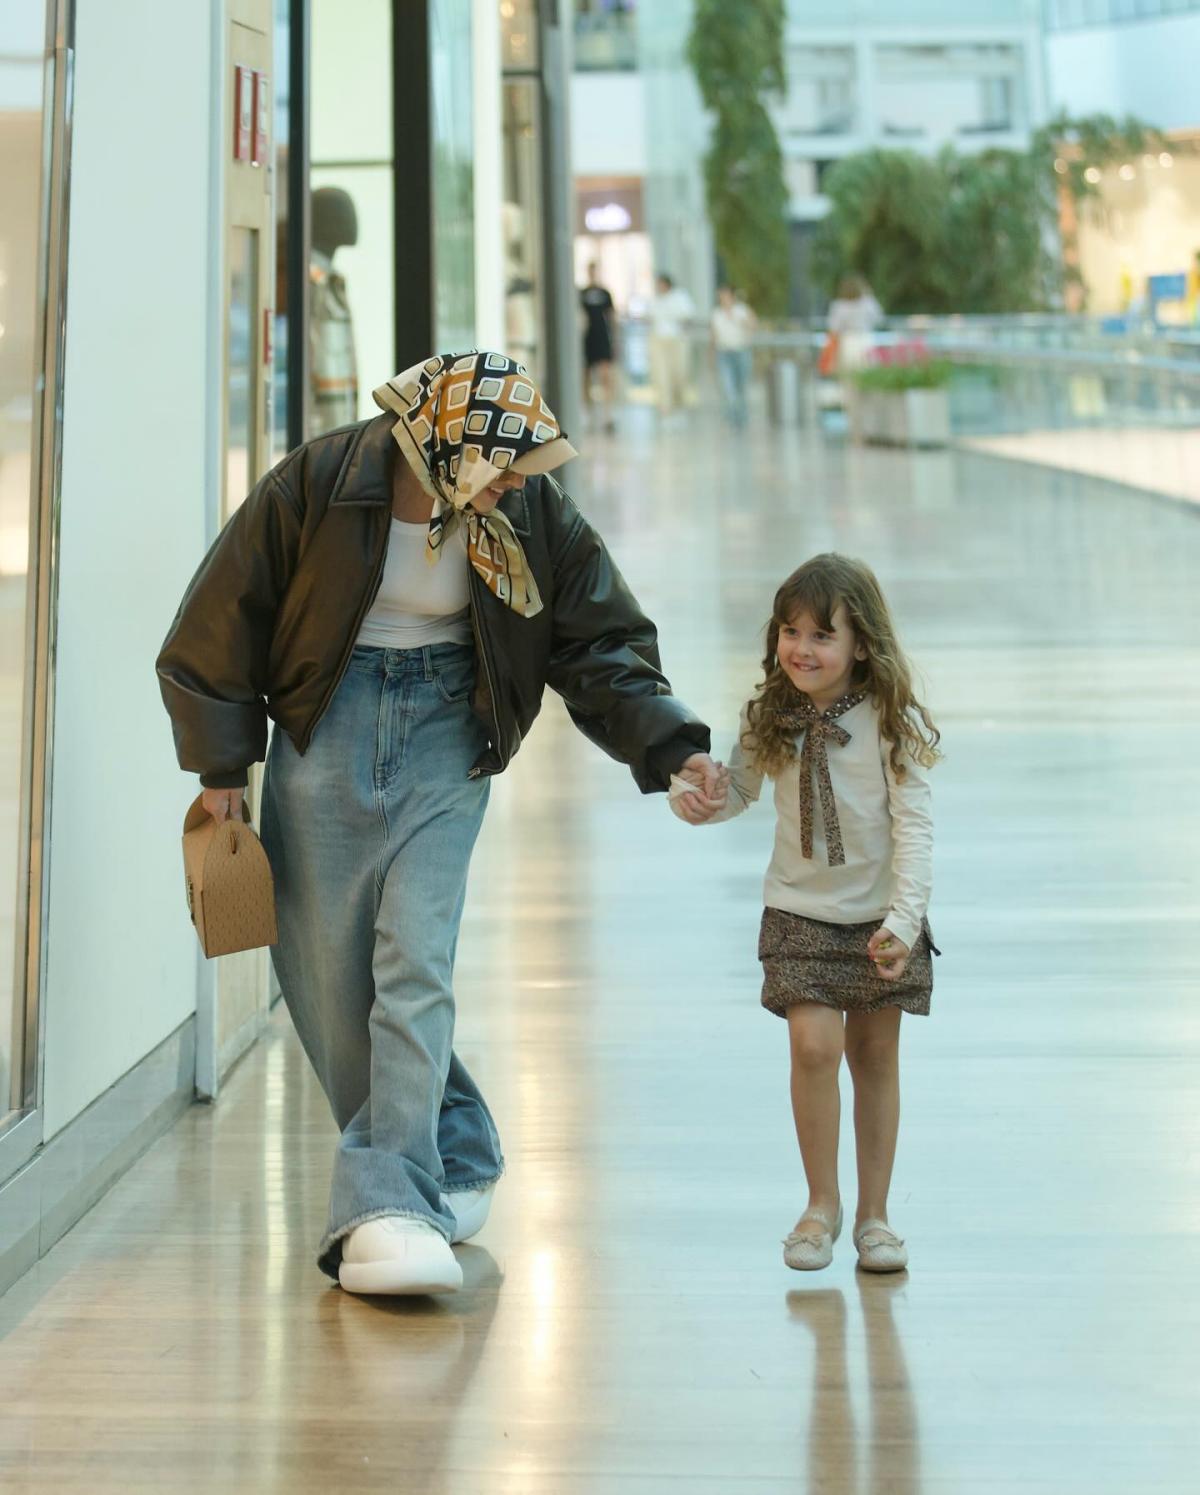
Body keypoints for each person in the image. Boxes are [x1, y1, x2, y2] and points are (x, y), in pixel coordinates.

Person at [157, 351, 721, 1298]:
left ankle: (391, 1203)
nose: (513, 482)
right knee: (325, 971)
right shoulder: (322, 481)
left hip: (448, 731)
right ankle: (451, 1144)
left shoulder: (528, 514)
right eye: (500, 462)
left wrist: (672, 748)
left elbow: (600, 639)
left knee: (413, 959)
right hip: (323, 724)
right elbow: (224, 614)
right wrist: (223, 768)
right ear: (444, 441)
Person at [671, 553, 940, 1274]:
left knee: (874, 1056)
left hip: (882, 918)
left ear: (862, 644)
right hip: (798, 911)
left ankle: (875, 1217)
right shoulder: (771, 714)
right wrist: (695, 795)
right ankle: (820, 1205)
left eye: (823, 634)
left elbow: (914, 826)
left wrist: (905, 922)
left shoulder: (890, 719)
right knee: (815, 1048)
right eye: (791, 631)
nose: (802, 648)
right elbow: (739, 791)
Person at [309, 187, 360, 435]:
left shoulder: (331, 282)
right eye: (341, 213)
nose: (353, 223)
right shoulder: (311, 283)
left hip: (337, 432)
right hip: (320, 431)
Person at [648, 272, 695, 418]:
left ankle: (678, 405)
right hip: (659, 340)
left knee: (678, 374)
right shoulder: (655, 300)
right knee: (661, 375)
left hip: (676, 341)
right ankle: (665, 408)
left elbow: (688, 317)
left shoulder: (680, 297)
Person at [710, 285, 756, 427]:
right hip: (723, 353)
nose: (723, 298)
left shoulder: (741, 311)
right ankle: (731, 414)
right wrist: (711, 354)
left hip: (741, 351)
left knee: (740, 385)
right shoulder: (716, 314)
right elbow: (714, 336)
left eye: (725, 295)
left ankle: (741, 415)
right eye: (721, 296)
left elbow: (753, 325)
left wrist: (741, 321)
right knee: (727, 385)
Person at [580, 262, 618, 434]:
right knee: (586, 377)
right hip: (588, 338)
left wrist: (615, 339)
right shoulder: (582, 293)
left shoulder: (605, 293)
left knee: (605, 376)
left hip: (603, 337)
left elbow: (612, 316)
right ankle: (587, 412)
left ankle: (607, 414)